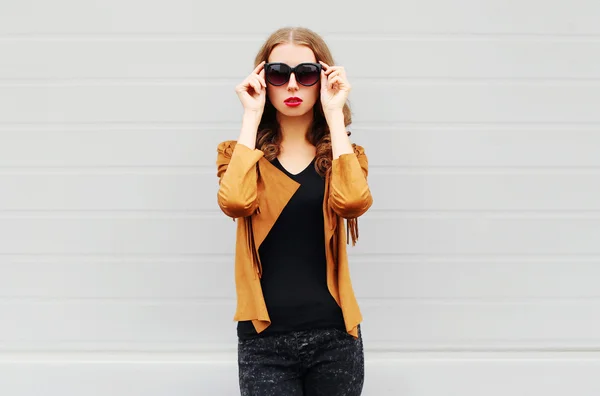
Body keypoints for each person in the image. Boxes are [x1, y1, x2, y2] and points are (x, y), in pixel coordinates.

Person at [215, 26, 373, 396]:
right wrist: (251, 118)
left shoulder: (344, 157)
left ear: (324, 79)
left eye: (305, 74)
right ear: (262, 80)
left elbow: (352, 203)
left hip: (335, 337)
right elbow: (235, 202)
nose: (291, 86)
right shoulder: (236, 155)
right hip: (264, 340)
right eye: (277, 74)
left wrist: (335, 116)